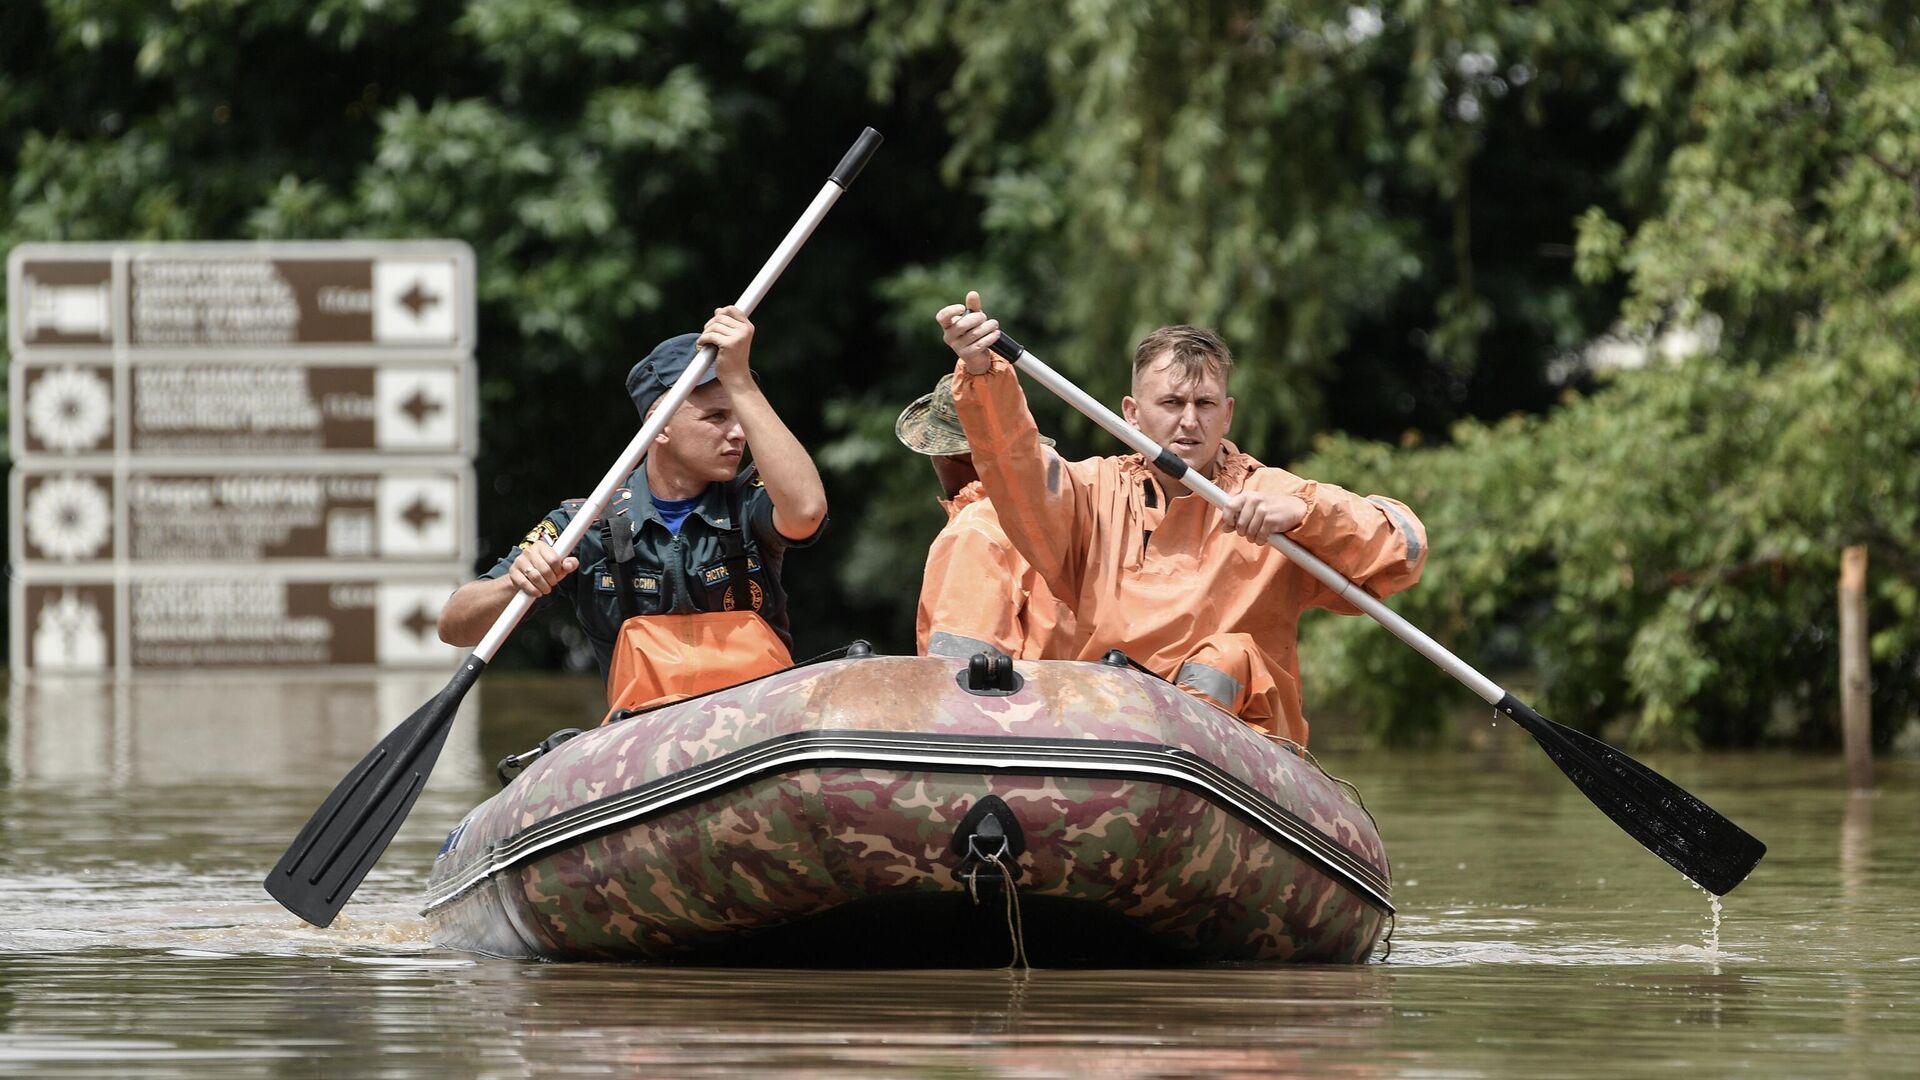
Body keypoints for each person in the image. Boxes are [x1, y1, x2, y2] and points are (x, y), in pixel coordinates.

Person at [936, 291, 1426, 748]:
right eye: (1171, 403)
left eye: (1205, 404)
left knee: (1228, 657)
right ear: (1131, 413)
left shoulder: (1272, 496)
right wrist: (983, 372)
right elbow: (1016, 467)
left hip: (1241, 749)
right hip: (1111, 728)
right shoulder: (1091, 490)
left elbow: (1403, 547)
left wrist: (1307, 514)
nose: (1189, 421)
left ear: (1227, 414)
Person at [439, 306, 827, 712]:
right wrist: (516, 582)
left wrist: (740, 381)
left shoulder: (751, 498)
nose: (739, 432)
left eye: (741, 414)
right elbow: (454, 625)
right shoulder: (584, 524)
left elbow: (806, 511)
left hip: (761, 731)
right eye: (716, 416)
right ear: (659, 426)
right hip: (645, 743)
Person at [895, 373, 1074, 659]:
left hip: (1025, 703)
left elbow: (962, 674)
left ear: (946, 457)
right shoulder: (1076, 507)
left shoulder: (975, 533)